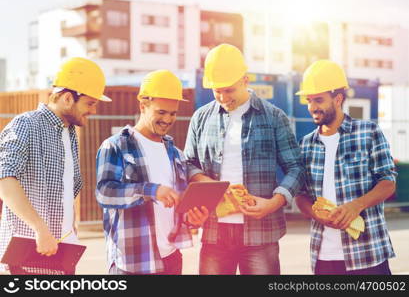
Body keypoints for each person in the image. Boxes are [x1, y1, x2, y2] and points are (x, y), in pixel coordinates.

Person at [184, 44, 304, 275]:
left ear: (245, 80)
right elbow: (188, 164)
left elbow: (296, 168)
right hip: (214, 231)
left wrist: (274, 203)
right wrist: (209, 185)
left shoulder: (274, 117)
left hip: (261, 233)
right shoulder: (200, 118)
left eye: (229, 90)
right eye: (216, 91)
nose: (222, 97)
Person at [0, 57, 111, 274]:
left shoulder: (69, 134)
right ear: (68, 98)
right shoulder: (26, 125)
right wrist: (39, 227)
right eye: (90, 103)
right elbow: (4, 178)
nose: (93, 111)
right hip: (26, 263)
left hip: (60, 259)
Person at [95, 70, 209, 275]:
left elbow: (177, 206)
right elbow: (105, 192)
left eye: (173, 113)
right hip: (132, 264)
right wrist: (151, 191)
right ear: (143, 106)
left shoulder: (175, 154)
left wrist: (193, 219)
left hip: (171, 259)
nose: (168, 119)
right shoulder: (116, 146)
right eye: (161, 112)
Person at [295, 60, 397, 275]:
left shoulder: (368, 132)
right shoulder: (305, 144)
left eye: (319, 100)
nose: (313, 107)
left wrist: (356, 206)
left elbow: (388, 183)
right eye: (309, 100)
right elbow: (301, 196)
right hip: (324, 258)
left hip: (368, 254)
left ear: (338, 99)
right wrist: (315, 214)